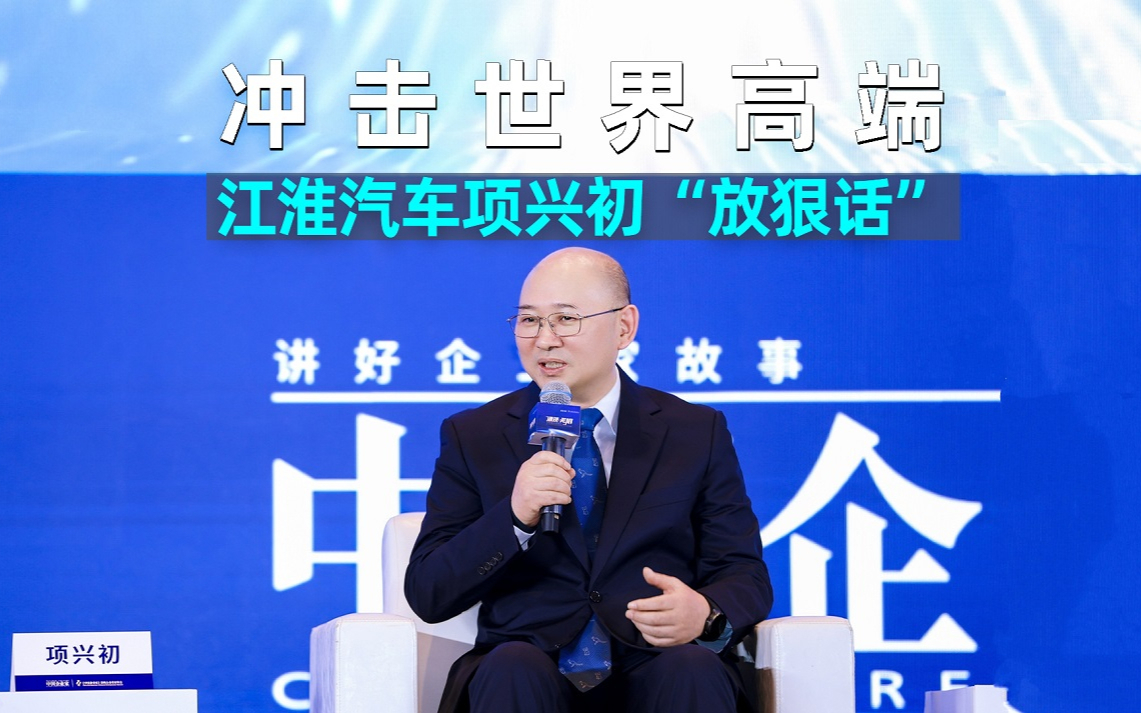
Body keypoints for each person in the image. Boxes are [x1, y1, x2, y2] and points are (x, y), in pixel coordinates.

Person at [405, 247, 772, 713]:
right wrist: (514, 518)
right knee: (511, 666)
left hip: (657, 661)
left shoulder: (694, 431)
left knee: (693, 667)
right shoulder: (474, 435)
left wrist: (705, 613)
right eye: (529, 320)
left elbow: (743, 571)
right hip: (528, 666)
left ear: (624, 327)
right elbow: (429, 592)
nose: (545, 340)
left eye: (565, 319)